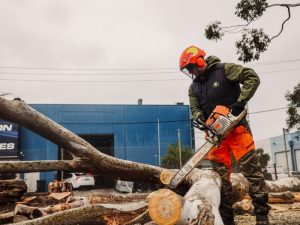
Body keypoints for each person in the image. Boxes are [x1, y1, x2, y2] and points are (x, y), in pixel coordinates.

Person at [179, 46, 270, 225]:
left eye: (192, 67)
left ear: (200, 60)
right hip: (215, 137)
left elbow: (252, 77)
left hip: (237, 130)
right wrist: (198, 117)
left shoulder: (224, 70)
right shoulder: (193, 87)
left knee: (252, 173)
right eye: (188, 70)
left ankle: (262, 216)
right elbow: (195, 108)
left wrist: (240, 102)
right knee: (220, 182)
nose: (192, 72)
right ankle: (227, 220)